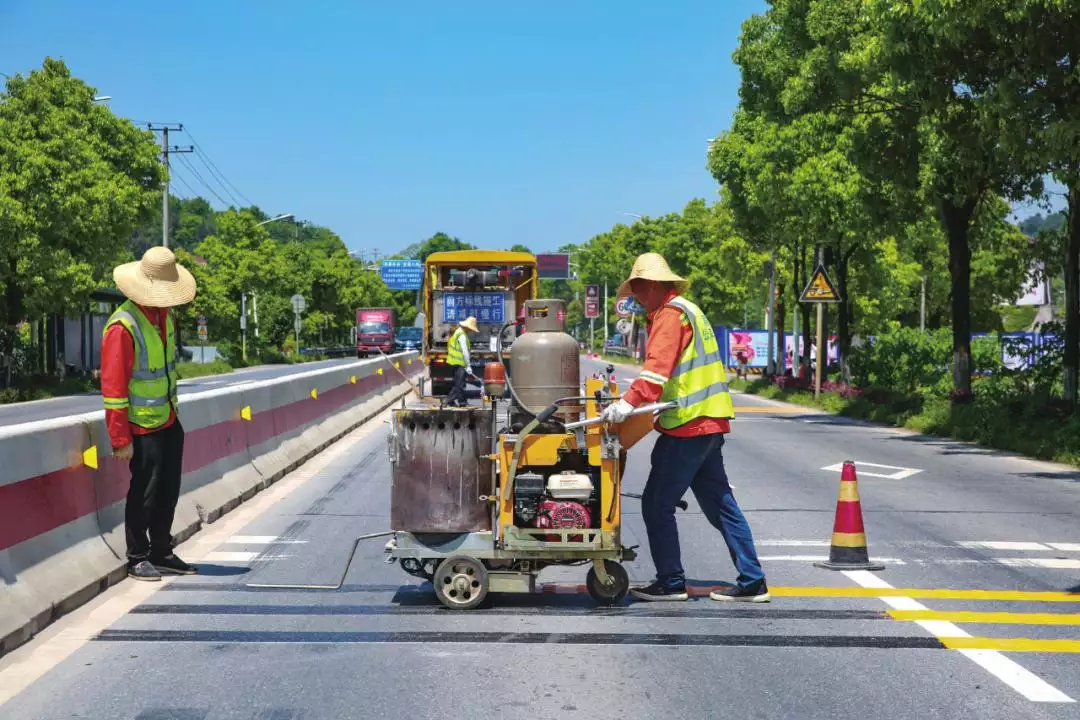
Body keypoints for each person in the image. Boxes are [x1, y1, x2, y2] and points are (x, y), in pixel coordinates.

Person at [601, 253, 768, 602]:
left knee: (656, 504)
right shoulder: (690, 310)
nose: (635, 297)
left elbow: (655, 371)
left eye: (637, 289)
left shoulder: (670, 315)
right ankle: (753, 580)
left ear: (652, 284)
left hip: (688, 425)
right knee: (721, 505)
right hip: (709, 422)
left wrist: (625, 405)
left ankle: (671, 582)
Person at [101, 246, 198, 582]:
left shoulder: (164, 317)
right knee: (144, 491)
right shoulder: (123, 326)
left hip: (169, 419)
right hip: (140, 426)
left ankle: (161, 550)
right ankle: (137, 556)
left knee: (168, 489)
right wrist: (119, 438)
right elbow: (113, 389)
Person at [445, 316, 479, 407]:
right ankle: (448, 401)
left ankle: (462, 402)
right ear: (468, 327)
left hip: (454, 362)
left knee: (460, 384)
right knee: (459, 385)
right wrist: (468, 366)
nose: (471, 331)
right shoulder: (462, 335)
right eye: (471, 329)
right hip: (459, 363)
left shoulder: (458, 332)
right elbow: (465, 352)